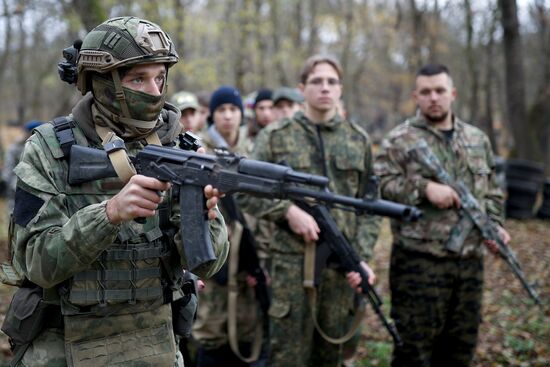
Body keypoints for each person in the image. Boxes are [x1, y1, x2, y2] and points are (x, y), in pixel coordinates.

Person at [2, 16, 229, 366]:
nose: (155, 91)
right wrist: (109, 214)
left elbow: (209, 266)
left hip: (156, 346)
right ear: (103, 82)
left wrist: (203, 215)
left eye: (160, 78)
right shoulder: (50, 148)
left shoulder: (184, 146)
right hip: (65, 348)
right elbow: (34, 263)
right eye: (138, 78)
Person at [241, 55, 381, 367]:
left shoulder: (358, 140)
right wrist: (286, 211)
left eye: (332, 82)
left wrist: (360, 257)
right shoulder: (276, 136)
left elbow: (370, 207)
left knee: (330, 357)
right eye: (317, 81)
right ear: (302, 88)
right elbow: (245, 191)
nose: (325, 88)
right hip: (291, 270)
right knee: (287, 357)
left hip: (340, 271)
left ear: (341, 89)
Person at [374, 63, 510, 367]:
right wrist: (423, 189)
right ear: (416, 96)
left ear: (453, 93)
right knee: (414, 351)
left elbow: (492, 192)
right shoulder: (400, 139)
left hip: (470, 263)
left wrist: (495, 225)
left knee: (460, 349)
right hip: (418, 262)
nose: (433, 97)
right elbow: (380, 185)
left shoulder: (477, 139)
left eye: (439, 90)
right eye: (426, 92)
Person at [192, 86, 265, 367]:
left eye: (233, 110)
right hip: (212, 254)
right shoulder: (199, 149)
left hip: (248, 257)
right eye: (222, 110)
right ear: (212, 115)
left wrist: (260, 259)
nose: (228, 116)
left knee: (247, 330)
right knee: (210, 332)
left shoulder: (252, 150)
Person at [2, 120, 43, 212]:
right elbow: (9, 169)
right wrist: (5, 183)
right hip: (18, 188)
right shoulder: (15, 148)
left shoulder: (45, 147)